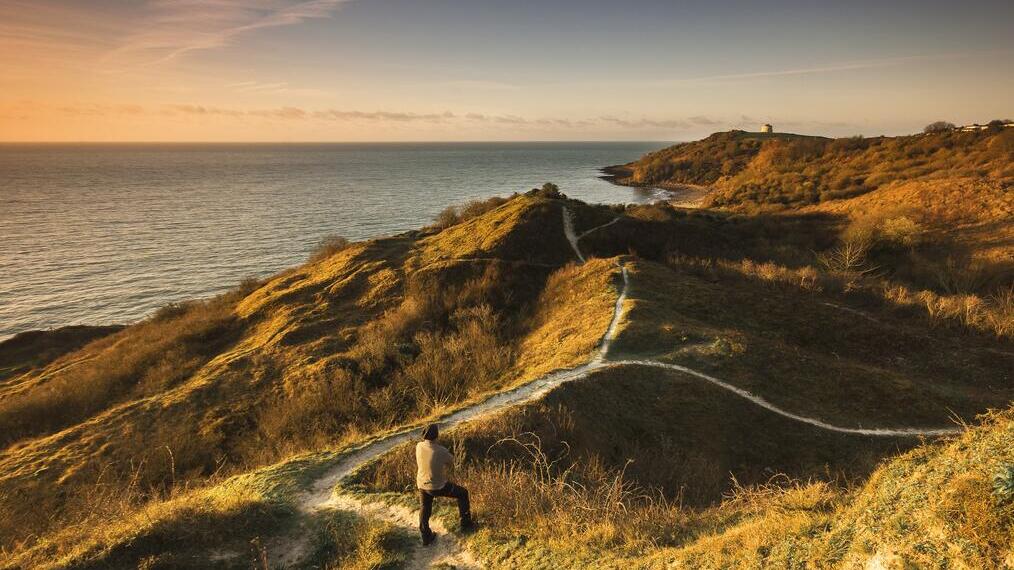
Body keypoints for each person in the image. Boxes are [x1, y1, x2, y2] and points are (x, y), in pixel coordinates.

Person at [416, 423, 473, 545]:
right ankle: (466, 525)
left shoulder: (419, 446)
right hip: (437, 486)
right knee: (463, 493)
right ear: (436, 436)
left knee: (425, 508)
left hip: (421, 484)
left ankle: (426, 537)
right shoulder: (441, 451)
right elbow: (453, 462)